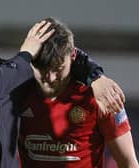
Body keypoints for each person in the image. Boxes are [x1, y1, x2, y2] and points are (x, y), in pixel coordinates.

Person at [0, 10, 125, 168]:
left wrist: (96, 76)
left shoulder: (8, 77)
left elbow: (63, 54)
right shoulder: (7, 79)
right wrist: (25, 55)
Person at [18, 17, 139, 168]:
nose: (50, 78)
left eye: (58, 68)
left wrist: (96, 76)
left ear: (73, 56)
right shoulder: (16, 93)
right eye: (42, 69)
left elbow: (128, 163)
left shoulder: (101, 96)